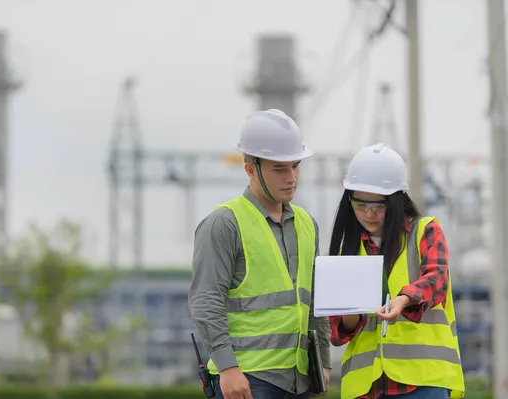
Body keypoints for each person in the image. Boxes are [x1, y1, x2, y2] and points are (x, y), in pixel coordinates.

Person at [188, 109, 331, 399]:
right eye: (280, 168)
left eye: (296, 166)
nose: (291, 177)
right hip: (247, 380)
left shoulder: (307, 224)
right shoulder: (224, 224)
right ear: (250, 167)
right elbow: (206, 301)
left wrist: (323, 362)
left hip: (300, 379)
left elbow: (316, 301)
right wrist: (228, 368)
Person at [328, 143, 465, 399]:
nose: (369, 214)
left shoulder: (424, 231)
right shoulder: (346, 254)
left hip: (422, 381)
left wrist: (403, 300)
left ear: (396, 200)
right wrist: (349, 311)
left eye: (379, 206)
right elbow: (338, 333)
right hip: (365, 388)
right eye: (360, 205)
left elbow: (436, 279)